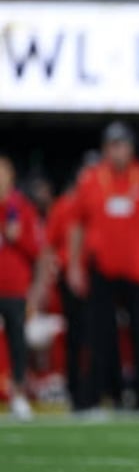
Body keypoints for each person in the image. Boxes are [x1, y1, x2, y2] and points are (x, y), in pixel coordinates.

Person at [67, 121, 139, 411]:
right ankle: (100, 396)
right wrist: (74, 265)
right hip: (102, 268)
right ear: (105, 149)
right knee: (101, 336)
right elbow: (77, 226)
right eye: (112, 145)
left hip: (138, 269)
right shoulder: (91, 180)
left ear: (131, 148)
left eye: (122, 144)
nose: (118, 150)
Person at [0, 155, 41, 420]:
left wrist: (17, 236)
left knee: (17, 343)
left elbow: (36, 249)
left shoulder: (22, 208)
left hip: (13, 286)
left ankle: (18, 395)